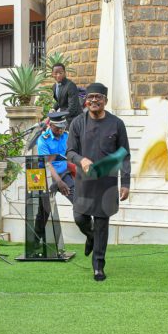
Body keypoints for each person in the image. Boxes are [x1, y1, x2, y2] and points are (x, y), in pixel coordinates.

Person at [66, 83, 130, 281]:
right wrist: (81, 160)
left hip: (107, 183)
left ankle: (98, 266)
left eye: (98, 97)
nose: (94, 100)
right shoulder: (77, 123)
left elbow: (124, 155)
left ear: (105, 101)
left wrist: (126, 183)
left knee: (102, 224)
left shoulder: (117, 124)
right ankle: (91, 236)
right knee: (80, 218)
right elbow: (70, 152)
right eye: (91, 97)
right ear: (86, 100)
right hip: (84, 182)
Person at [35, 111, 74, 244]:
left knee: (78, 200)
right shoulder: (43, 140)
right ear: (50, 125)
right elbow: (47, 163)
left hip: (64, 173)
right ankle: (36, 240)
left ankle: (90, 232)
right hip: (46, 176)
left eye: (63, 127)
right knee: (44, 211)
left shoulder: (67, 136)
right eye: (58, 127)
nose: (61, 130)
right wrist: (59, 182)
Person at [51, 63, 81, 128]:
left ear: (65, 73)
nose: (58, 75)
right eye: (56, 73)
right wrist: (53, 109)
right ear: (52, 74)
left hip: (74, 118)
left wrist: (60, 116)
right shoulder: (54, 87)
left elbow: (72, 108)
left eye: (60, 73)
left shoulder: (70, 85)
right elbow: (60, 100)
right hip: (64, 118)